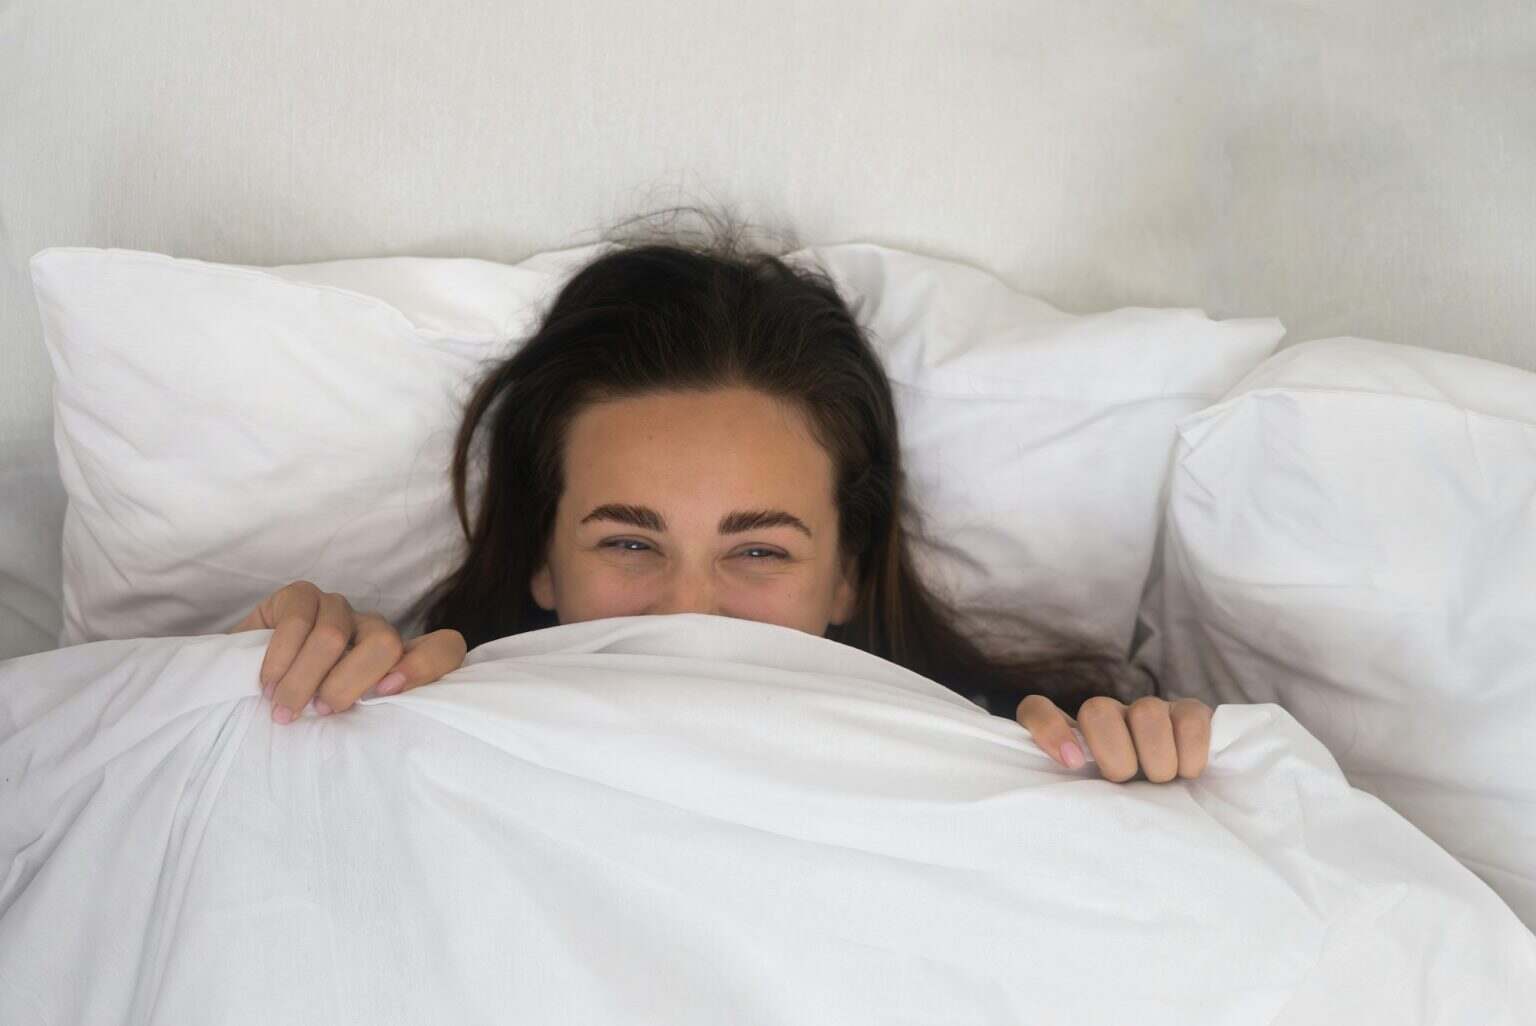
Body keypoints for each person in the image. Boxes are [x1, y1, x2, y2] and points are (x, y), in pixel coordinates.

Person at [230, 205, 1212, 785]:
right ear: (541, 558)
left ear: (845, 575)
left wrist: (1143, 781)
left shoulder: (1021, 756)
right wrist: (254, 688)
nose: (688, 611)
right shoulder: (410, 720)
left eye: (758, 551)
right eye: (628, 543)